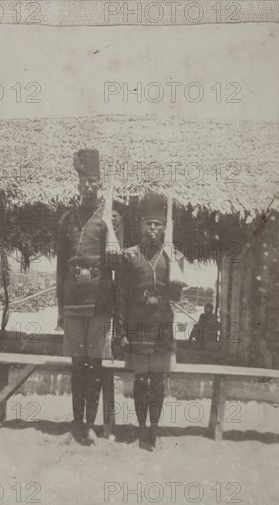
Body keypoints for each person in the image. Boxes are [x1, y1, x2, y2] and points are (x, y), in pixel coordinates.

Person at [56, 149, 123, 444]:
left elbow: (118, 267)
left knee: (94, 364)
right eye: (83, 180)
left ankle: (92, 425)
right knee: (76, 364)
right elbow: (60, 267)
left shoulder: (112, 219)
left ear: (99, 185)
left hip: (99, 301)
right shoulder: (67, 220)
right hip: (72, 300)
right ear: (77, 184)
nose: (87, 186)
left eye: (92, 181)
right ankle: (76, 422)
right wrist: (60, 307)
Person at [115, 194, 184, 450]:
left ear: (165, 227)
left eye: (158, 224)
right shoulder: (129, 256)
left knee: (157, 381)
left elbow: (177, 295)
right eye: (148, 224)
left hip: (162, 326)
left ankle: (154, 430)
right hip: (136, 325)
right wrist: (120, 331)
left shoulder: (174, 257)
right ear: (141, 226)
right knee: (140, 380)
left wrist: (173, 282)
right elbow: (120, 296)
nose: (153, 229)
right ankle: (141, 427)